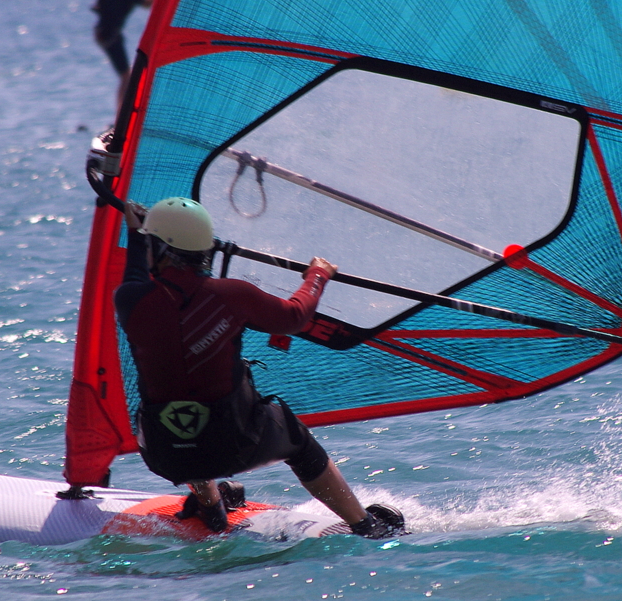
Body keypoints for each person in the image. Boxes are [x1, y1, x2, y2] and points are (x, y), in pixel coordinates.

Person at [113, 197, 406, 538]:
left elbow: (136, 274)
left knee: (175, 405)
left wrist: (136, 232)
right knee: (297, 440)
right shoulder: (232, 295)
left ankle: (211, 507)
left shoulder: (129, 299)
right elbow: (295, 316)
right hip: (234, 446)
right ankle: (365, 524)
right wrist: (318, 275)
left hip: (164, 456)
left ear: (160, 249)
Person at [91, 0, 154, 94]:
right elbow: (146, 2)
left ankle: (122, 104)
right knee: (126, 77)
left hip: (112, 34)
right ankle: (121, 106)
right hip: (107, 35)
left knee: (126, 76)